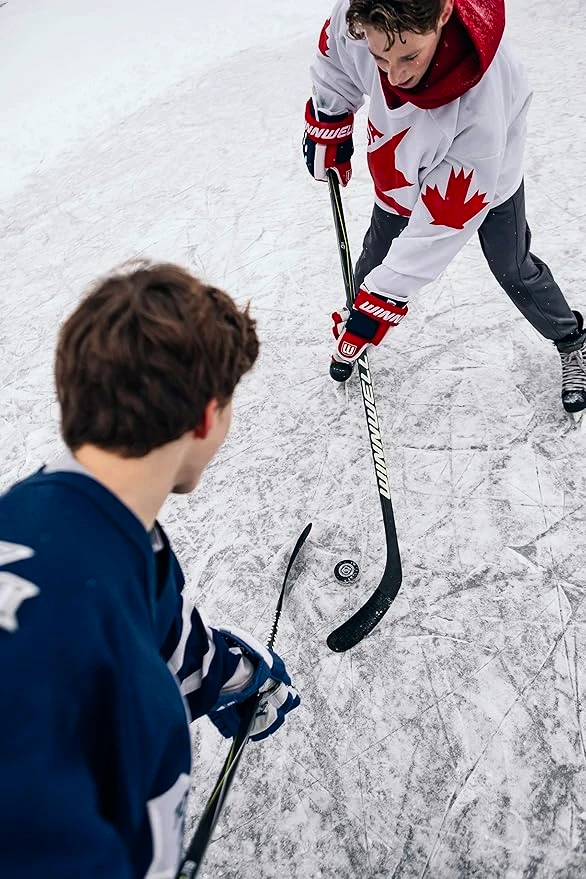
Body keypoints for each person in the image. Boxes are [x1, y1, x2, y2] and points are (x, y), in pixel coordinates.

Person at [0, 262, 300, 878]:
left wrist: (241, 678)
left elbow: (166, 637)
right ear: (203, 418)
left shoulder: (106, 529)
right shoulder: (40, 646)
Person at [303, 0, 586, 419]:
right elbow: (337, 59)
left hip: (487, 179)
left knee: (513, 268)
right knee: (377, 253)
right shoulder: (361, 18)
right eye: (380, 57)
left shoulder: (483, 97)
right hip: (400, 168)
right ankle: (355, 324)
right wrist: (330, 118)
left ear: (443, 14)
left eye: (409, 57)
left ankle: (572, 342)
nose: (394, 75)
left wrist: (383, 302)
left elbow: (441, 225)